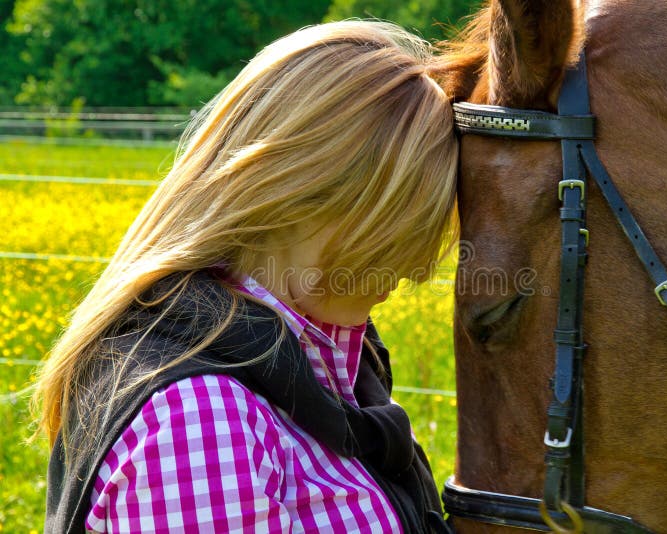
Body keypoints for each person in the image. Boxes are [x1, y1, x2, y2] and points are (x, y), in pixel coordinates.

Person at [36, 20, 458, 533]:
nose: (416, 269)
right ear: (306, 195)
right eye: (406, 228)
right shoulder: (199, 420)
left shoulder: (313, 358)